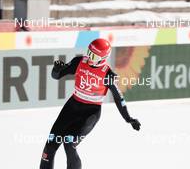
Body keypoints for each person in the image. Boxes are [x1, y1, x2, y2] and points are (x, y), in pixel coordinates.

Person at [40, 38, 141, 169]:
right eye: (88, 52)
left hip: (90, 113)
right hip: (72, 107)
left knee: (69, 142)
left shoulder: (108, 75)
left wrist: (129, 118)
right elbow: (57, 76)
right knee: (51, 144)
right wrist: (56, 69)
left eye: (93, 55)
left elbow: (119, 98)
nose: (89, 57)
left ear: (103, 58)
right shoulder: (79, 61)